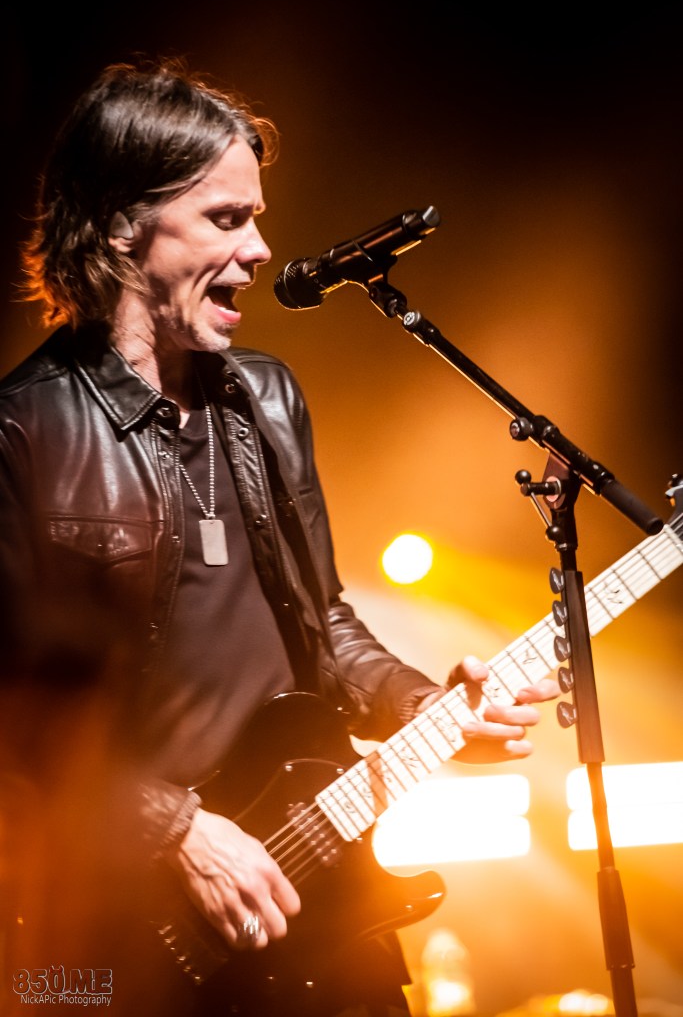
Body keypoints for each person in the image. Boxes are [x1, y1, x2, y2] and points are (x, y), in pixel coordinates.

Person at [0, 58, 559, 1017]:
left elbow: (325, 624)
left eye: (256, 217)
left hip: (318, 897)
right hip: (115, 932)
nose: (260, 248)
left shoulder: (267, 396)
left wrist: (425, 704)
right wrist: (175, 830)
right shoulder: (25, 432)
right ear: (122, 223)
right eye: (226, 219)